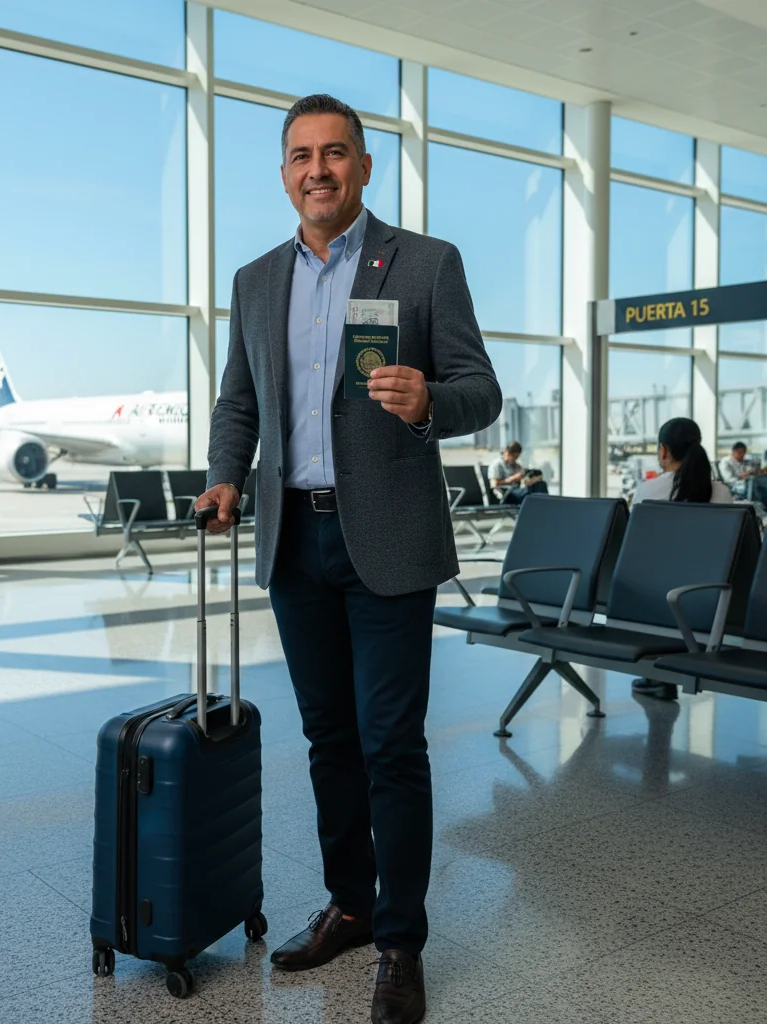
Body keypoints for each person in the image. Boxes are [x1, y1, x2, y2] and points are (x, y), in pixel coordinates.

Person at [196, 94, 501, 1024]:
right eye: (300, 155)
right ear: (283, 171)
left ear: (365, 166)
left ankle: (401, 942)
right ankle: (352, 905)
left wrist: (428, 402)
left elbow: (481, 390)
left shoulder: (425, 263)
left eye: (335, 153)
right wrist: (223, 478)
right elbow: (239, 404)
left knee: (391, 746)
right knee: (329, 739)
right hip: (295, 541)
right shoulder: (254, 282)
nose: (317, 169)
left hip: (390, 539)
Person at [630, 418, 730, 701]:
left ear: (664, 451)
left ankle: (656, 674)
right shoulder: (721, 492)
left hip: (654, 600)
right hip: (713, 600)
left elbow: (636, 550)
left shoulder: (648, 492)